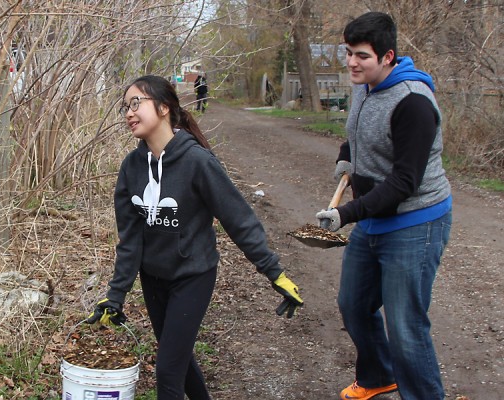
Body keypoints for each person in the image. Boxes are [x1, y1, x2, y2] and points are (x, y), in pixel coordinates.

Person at [87, 75, 303, 400]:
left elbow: (238, 219)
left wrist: (273, 272)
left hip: (193, 276)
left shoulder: (197, 162)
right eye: (124, 107)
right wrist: (116, 295)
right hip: (153, 278)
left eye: (136, 103)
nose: (128, 113)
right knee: (180, 360)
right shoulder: (131, 168)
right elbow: (130, 240)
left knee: (168, 371)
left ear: (163, 108)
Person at [315, 12, 452, 400]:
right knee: (354, 305)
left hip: (416, 222)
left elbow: (405, 183)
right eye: (348, 53)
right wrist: (346, 158)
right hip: (377, 217)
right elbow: (357, 133)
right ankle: (378, 376)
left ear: (388, 56)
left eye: (361, 55)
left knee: (406, 326)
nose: (352, 63)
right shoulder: (365, 86)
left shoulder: (413, 103)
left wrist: (345, 214)